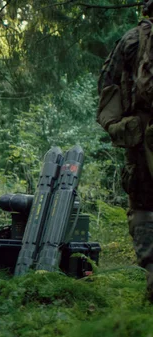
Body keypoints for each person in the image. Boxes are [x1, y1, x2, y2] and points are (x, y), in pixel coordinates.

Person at [97, 1, 153, 303]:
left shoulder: (131, 39)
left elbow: (106, 83)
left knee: (143, 204)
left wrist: (117, 126)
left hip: (140, 135)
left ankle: (152, 273)